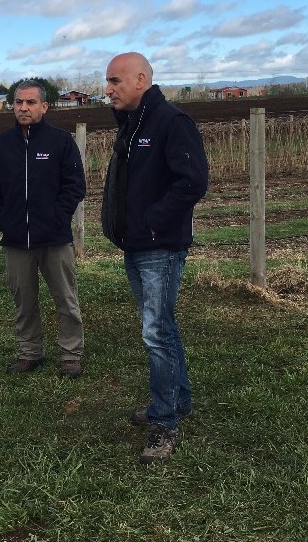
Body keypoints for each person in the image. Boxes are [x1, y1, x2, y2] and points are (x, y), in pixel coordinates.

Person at [101, 53, 209, 463]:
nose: (107, 89)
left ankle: (164, 422)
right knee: (162, 327)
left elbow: (193, 181)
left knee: (155, 333)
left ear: (140, 80)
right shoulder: (134, 124)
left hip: (158, 248)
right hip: (138, 245)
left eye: (114, 81)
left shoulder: (170, 122)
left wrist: (152, 223)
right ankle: (178, 401)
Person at [0, 80, 87, 378]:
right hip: (16, 241)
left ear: (44, 106)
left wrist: (57, 218)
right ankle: (30, 352)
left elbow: (75, 186)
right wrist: (5, 221)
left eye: (30, 102)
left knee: (66, 299)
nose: (23, 108)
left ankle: (70, 354)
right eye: (18, 102)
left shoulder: (61, 142)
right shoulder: (1, 145)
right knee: (24, 301)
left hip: (54, 239)